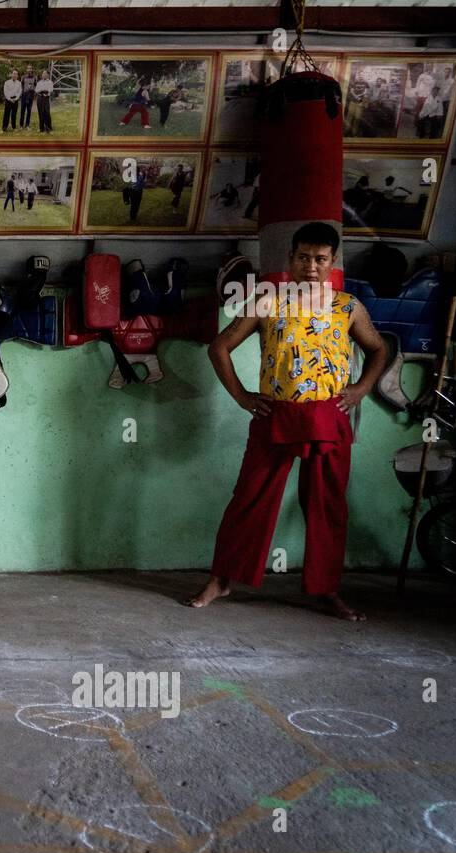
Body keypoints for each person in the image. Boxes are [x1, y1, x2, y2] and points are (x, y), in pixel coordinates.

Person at [185, 222, 387, 621]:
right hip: (275, 415)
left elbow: (379, 349)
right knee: (249, 499)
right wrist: (243, 397)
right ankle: (221, 579)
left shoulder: (348, 307)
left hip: (328, 417)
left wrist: (361, 388)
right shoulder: (267, 301)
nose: (311, 266)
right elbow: (219, 347)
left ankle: (326, 589)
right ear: (290, 259)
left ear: (332, 262)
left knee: (328, 506)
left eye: (320, 259)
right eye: (303, 257)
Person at [34, 68, 53, 133]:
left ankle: (48, 127)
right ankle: (41, 128)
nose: (44, 75)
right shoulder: (39, 82)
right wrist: (42, 90)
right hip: (40, 98)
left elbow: (50, 89)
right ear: (41, 75)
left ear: (47, 75)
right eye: (43, 73)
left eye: (45, 73)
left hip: (46, 98)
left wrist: (46, 94)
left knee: (47, 113)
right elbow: (36, 90)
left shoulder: (50, 82)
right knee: (40, 113)